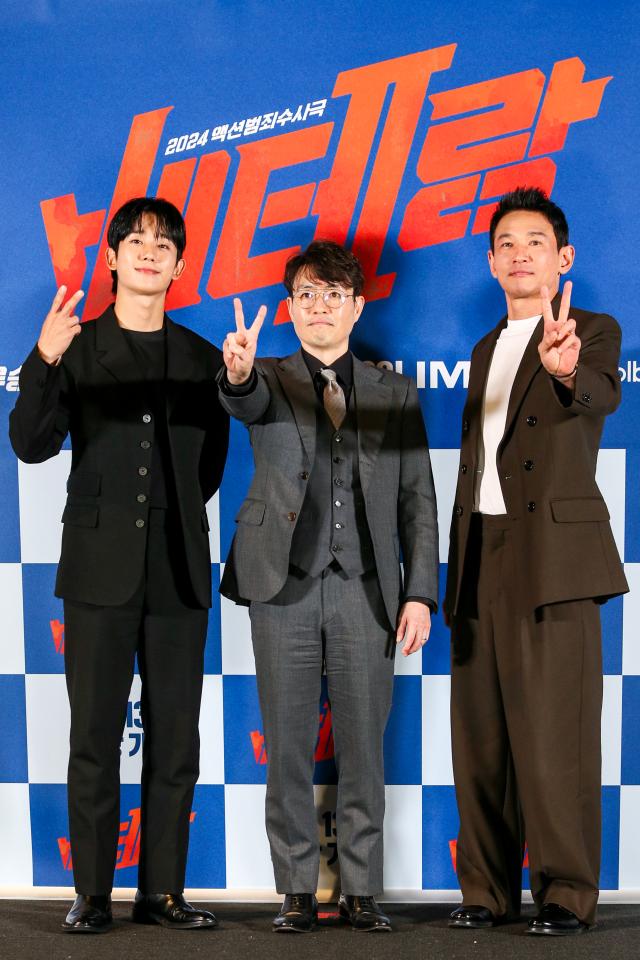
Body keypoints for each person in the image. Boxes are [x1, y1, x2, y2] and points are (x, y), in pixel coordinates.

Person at [10, 197, 229, 934]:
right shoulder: (73, 347)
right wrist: (40, 361)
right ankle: (92, 894)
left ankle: (163, 892)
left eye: (163, 244)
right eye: (134, 240)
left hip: (178, 571)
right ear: (110, 257)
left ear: (178, 264)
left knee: (178, 739)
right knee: (94, 736)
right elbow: (32, 445)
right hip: (98, 572)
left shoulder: (201, 359)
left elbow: (209, 469)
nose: (148, 252)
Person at [218, 240, 438, 932]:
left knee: (364, 745)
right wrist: (239, 373)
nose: (319, 308)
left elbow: (418, 502)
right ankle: (294, 889)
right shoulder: (269, 376)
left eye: (333, 296)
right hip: (280, 583)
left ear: (356, 305)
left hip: (367, 588)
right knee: (285, 741)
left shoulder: (392, 390)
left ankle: (362, 890)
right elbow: (243, 401)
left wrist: (419, 594)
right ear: (289, 308)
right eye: (307, 296)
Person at [444, 187, 628, 936]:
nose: (521, 253)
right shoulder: (485, 347)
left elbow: (599, 395)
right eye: (507, 244)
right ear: (491, 263)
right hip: (479, 555)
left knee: (556, 737)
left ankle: (565, 894)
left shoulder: (594, 331)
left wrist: (562, 369)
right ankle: (487, 893)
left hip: (554, 558)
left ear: (564, 257)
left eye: (536, 241)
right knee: (480, 736)